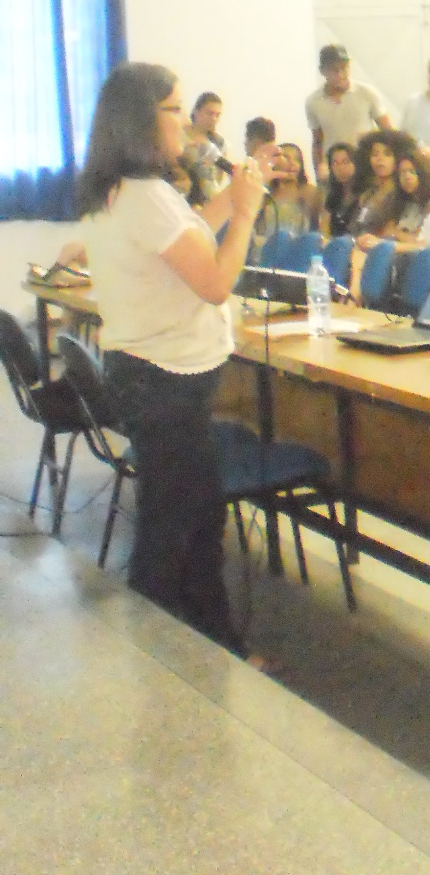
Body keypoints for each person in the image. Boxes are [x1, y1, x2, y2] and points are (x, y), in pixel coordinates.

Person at [77, 62, 267, 653]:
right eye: (175, 109)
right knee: (176, 529)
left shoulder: (124, 190)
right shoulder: (146, 196)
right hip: (165, 382)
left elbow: (183, 237)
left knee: (194, 518)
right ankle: (165, 662)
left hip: (151, 375)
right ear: (143, 119)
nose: (186, 121)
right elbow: (213, 283)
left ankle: (210, 645)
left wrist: (229, 202)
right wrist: (247, 216)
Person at [305, 44, 389, 179]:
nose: (340, 74)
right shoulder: (313, 102)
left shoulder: (366, 93)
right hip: (335, 170)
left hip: (365, 166)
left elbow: (387, 131)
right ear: (322, 71)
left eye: (344, 68)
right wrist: (319, 173)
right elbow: (318, 141)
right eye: (334, 70)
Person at [255, 141, 321, 246]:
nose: (293, 164)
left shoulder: (310, 192)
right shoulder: (264, 193)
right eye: (286, 158)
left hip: (299, 249)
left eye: (297, 159)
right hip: (266, 248)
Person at [385, 147, 430, 243]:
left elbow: (419, 240)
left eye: (412, 172)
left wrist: (397, 234)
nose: (407, 177)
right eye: (402, 173)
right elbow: (387, 230)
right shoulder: (399, 202)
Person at [321, 142, 364, 238]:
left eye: (346, 162)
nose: (340, 168)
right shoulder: (332, 196)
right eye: (335, 163)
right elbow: (324, 229)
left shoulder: (365, 194)